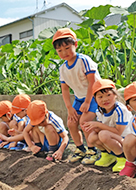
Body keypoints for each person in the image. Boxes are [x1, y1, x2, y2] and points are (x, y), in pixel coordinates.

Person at [52, 28, 101, 164]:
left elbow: (93, 82)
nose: (64, 53)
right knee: (71, 123)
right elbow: (65, 89)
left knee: (84, 122)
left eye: (67, 48)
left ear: (76, 45)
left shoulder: (84, 61)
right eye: (60, 51)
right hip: (79, 99)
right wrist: (69, 107)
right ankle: (80, 149)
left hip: (95, 97)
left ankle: (92, 151)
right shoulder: (62, 68)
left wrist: (87, 102)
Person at [82, 79, 133, 172]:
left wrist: (98, 125)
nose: (105, 99)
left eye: (108, 95)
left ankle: (123, 158)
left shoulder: (120, 110)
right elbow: (102, 128)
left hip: (128, 141)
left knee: (103, 135)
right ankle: (108, 155)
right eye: (100, 97)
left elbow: (118, 132)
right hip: (115, 138)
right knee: (92, 137)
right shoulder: (99, 111)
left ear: (115, 95)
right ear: (95, 100)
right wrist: (92, 127)